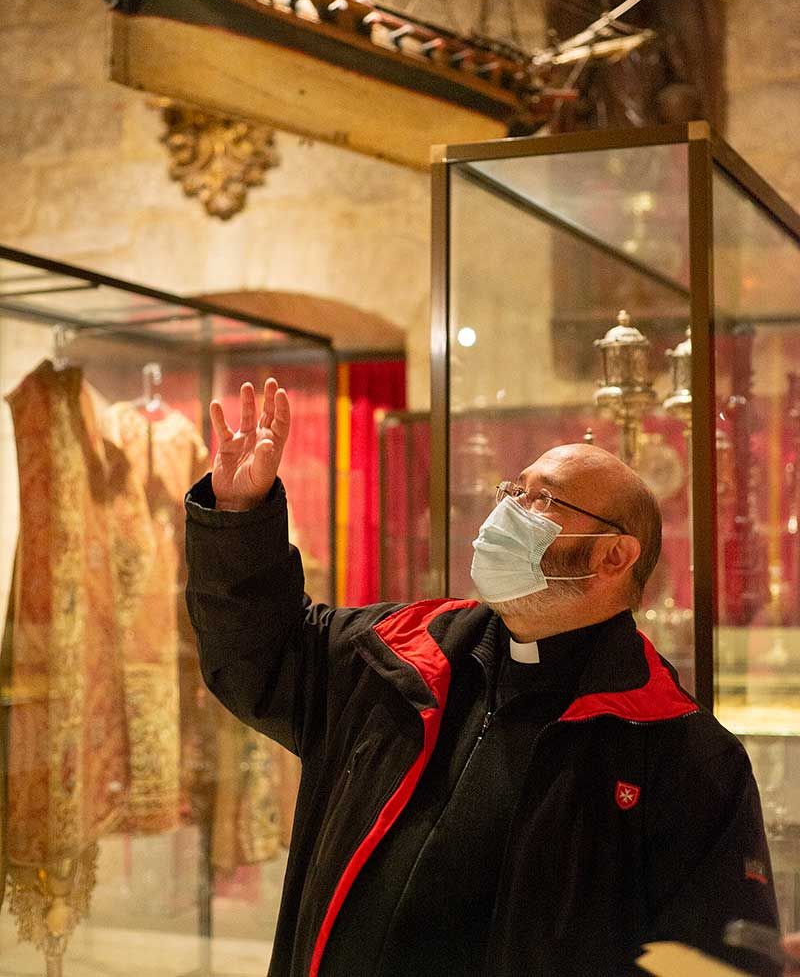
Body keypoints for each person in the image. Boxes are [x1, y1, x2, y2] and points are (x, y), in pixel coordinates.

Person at [185, 378, 781, 977]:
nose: (505, 513)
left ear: (612, 556)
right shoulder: (396, 654)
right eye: (511, 491)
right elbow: (258, 660)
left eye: (540, 500)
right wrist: (239, 517)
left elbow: (718, 959)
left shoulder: (685, 757)